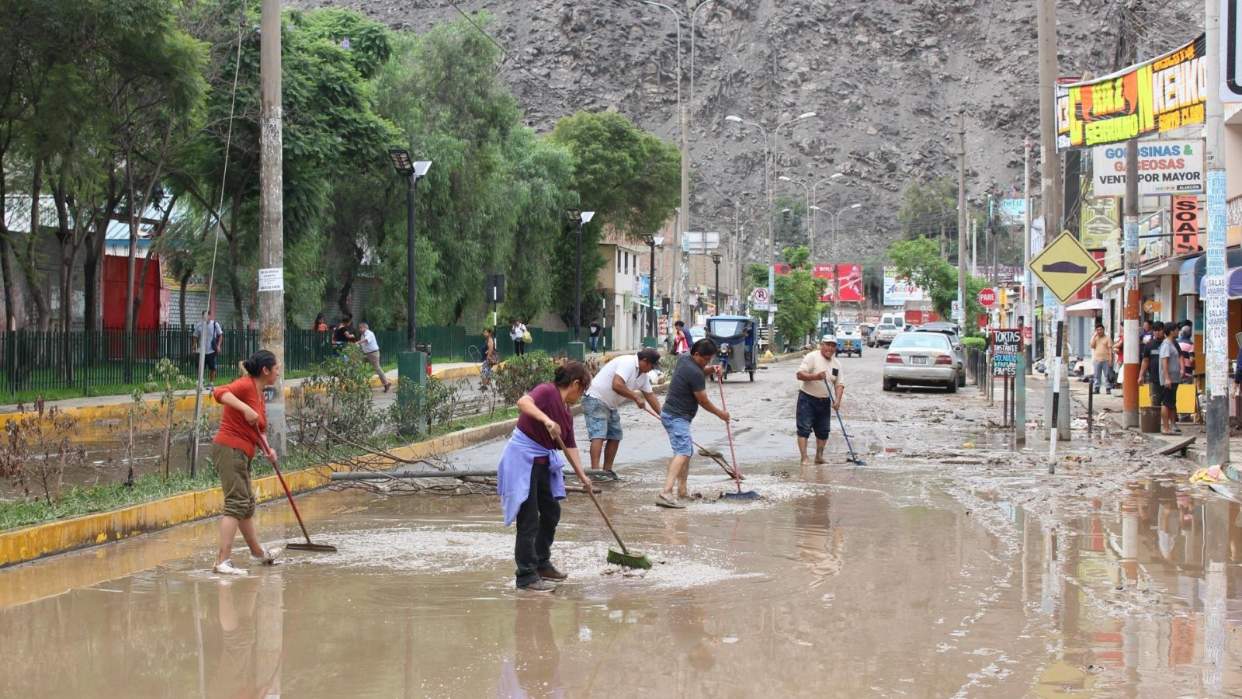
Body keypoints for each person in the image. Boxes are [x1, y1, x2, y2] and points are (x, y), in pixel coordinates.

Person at [496, 362, 593, 592]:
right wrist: (546, 420)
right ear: (576, 384)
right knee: (528, 519)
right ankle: (526, 576)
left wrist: (583, 477)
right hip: (522, 461)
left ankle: (541, 563)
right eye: (583, 390)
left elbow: (570, 447)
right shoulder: (547, 391)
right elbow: (523, 402)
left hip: (542, 465)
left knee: (551, 512)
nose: (581, 396)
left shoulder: (567, 414)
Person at [210, 350, 283, 576]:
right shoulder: (245, 385)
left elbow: (257, 429)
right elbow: (219, 392)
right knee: (236, 503)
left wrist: (267, 450)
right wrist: (245, 408)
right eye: (277, 368)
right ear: (265, 370)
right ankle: (222, 561)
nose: (278, 371)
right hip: (230, 449)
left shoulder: (259, 393)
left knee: (246, 505)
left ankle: (258, 553)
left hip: (243, 452)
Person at [656, 339, 728, 509]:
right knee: (683, 451)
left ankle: (682, 492)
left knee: (685, 452)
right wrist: (721, 414)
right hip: (677, 417)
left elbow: (698, 369)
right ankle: (665, 492)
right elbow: (703, 400)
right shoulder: (694, 372)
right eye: (706, 360)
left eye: (710, 360)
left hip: (672, 414)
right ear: (696, 354)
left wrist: (710, 369)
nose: (707, 362)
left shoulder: (685, 359)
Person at [583, 348, 662, 477]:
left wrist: (663, 416)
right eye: (651, 366)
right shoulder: (628, 362)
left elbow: (650, 395)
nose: (651, 369)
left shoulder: (643, 376)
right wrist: (635, 397)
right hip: (596, 399)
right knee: (599, 435)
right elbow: (617, 385)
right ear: (645, 361)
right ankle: (595, 472)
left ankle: (607, 471)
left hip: (611, 405)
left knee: (615, 436)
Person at [795, 336, 846, 465]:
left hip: (824, 401)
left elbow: (839, 384)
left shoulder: (837, 364)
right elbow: (799, 375)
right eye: (827, 345)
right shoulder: (812, 357)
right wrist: (816, 376)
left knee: (823, 431)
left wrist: (837, 400)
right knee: (804, 429)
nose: (830, 348)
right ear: (822, 345)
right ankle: (804, 458)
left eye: (833, 345)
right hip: (807, 398)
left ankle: (819, 456)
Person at [1159, 323, 1182, 434]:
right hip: (1169, 379)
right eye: (1177, 330)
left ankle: (1172, 426)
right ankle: (1166, 427)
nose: (1178, 332)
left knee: (1172, 402)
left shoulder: (1172, 344)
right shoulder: (1166, 344)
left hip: (1174, 378)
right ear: (1171, 331)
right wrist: (1167, 378)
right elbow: (1164, 361)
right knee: (1166, 403)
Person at [356, 322, 391, 393]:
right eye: (359, 328)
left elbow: (366, 340)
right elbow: (363, 345)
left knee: (377, 368)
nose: (359, 329)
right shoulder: (362, 335)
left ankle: (386, 384)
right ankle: (360, 383)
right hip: (366, 354)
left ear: (365, 328)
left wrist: (357, 342)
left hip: (373, 353)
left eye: (361, 327)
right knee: (357, 364)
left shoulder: (369, 333)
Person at [192, 311, 224, 386]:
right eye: (203, 316)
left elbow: (221, 335)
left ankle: (211, 383)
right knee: (200, 367)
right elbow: (195, 336)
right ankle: (201, 381)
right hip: (201, 350)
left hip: (211, 350)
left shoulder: (214, 324)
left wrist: (219, 346)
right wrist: (194, 345)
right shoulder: (199, 325)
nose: (205, 318)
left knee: (212, 368)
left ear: (210, 316)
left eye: (206, 316)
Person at [1089, 323, 1113, 395]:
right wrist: (1094, 336)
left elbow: (1110, 349)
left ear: (1103, 330)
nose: (1099, 331)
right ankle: (1097, 388)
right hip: (1097, 359)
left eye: (1100, 329)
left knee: (1107, 375)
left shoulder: (1107, 338)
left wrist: (1110, 359)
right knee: (1097, 375)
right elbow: (1092, 346)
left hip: (1106, 359)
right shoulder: (1095, 338)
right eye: (1098, 330)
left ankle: (1108, 388)